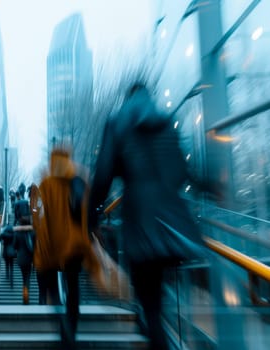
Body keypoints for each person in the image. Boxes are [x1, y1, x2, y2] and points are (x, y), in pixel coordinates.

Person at [88, 83, 220, 350]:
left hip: (140, 222)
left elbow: (103, 173)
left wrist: (91, 213)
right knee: (157, 301)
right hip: (173, 223)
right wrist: (208, 186)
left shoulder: (117, 121)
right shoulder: (165, 121)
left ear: (128, 96)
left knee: (149, 306)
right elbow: (182, 171)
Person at [33, 147, 98, 349]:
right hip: (74, 244)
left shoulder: (45, 184)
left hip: (52, 243)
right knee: (73, 286)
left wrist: (41, 244)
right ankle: (71, 326)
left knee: (52, 289)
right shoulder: (78, 180)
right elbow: (86, 209)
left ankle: (62, 322)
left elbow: (39, 217)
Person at [13, 226, 34, 305]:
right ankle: (26, 294)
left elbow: (14, 246)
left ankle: (24, 294)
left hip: (21, 259)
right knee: (27, 277)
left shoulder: (17, 234)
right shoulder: (32, 233)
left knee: (24, 277)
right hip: (29, 259)